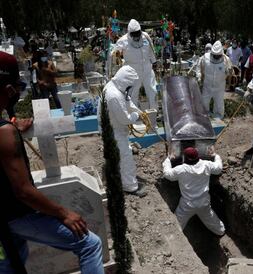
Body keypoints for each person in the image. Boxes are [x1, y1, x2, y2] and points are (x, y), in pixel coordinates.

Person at [0, 51, 104, 274]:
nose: (19, 92)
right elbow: (23, 192)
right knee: (89, 244)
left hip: (4, 217)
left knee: (12, 261)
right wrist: (64, 213)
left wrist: (12, 127)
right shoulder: (4, 133)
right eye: (17, 89)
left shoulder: (5, 129)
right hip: (17, 215)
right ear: (8, 90)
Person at [99, 65, 147, 196]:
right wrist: (136, 116)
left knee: (118, 156)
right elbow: (125, 119)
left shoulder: (115, 86)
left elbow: (127, 100)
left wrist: (138, 110)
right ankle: (130, 187)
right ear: (125, 81)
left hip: (113, 129)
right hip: (114, 132)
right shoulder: (113, 95)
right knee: (126, 158)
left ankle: (117, 176)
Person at [162, 147, 225, 236]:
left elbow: (168, 174)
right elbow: (218, 168)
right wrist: (216, 155)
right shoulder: (206, 165)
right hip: (204, 202)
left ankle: (174, 237)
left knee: (177, 224)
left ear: (184, 158)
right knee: (210, 218)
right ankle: (221, 231)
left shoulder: (181, 169)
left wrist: (168, 159)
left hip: (187, 205)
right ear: (197, 156)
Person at [113, 19, 158, 110]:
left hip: (147, 68)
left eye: (138, 33)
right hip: (132, 70)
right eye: (134, 34)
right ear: (129, 33)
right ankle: (135, 115)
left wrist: (154, 61)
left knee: (152, 91)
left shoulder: (146, 36)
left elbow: (151, 49)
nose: (137, 36)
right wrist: (116, 55)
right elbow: (115, 54)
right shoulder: (122, 41)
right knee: (133, 93)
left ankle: (153, 112)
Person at [199, 40, 232, 119]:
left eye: (218, 56)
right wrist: (199, 77)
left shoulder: (226, 60)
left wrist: (229, 82)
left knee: (219, 104)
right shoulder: (205, 57)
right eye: (214, 55)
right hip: (207, 85)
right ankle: (204, 118)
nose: (216, 57)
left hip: (219, 87)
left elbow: (230, 73)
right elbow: (199, 68)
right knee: (204, 103)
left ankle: (218, 119)